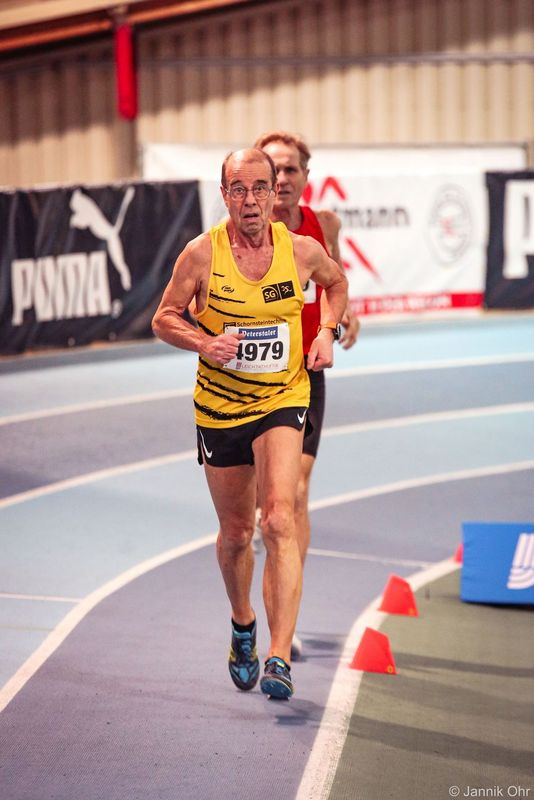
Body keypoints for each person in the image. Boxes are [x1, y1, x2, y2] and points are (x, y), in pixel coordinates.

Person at [152, 148, 348, 700]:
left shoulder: (301, 249)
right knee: (237, 533)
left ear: (273, 191)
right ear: (224, 195)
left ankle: (279, 656)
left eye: (260, 187)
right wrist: (203, 342)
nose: (251, 200)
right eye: (238, 189)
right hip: (220, 408)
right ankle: (243, 623)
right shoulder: (201, 254)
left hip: (282, 397)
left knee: (280, 518)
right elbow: (163, 317)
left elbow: (336, 284)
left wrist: (325, 331)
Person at [253, 131, 360, 659]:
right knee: (258, 514)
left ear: (305, 177)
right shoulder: (244, 232)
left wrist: (341, 318)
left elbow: (332, 279)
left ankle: (284, 625)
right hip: (252, 379)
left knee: (294, 493)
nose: (282, 179)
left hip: (305, 373)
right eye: (273, 170)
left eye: (291, 169)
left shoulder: (325, 226)